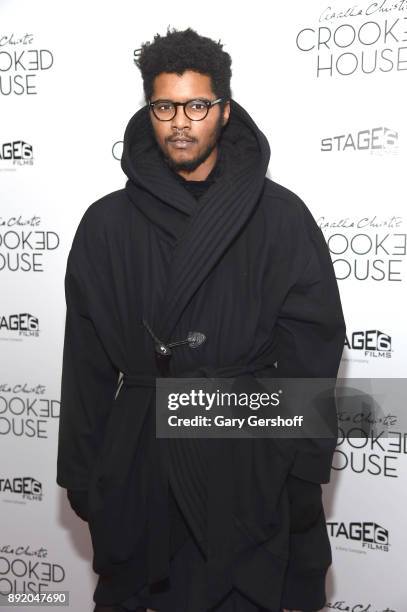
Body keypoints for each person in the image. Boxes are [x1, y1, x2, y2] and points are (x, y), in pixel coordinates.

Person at [56, 27, 346, 612]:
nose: (181, 122)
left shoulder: (280, 216)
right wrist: (85, 476)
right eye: (165, 106)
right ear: (149, 110)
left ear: (224, 110)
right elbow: (84, 364)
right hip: (140, 461)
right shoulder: (105, 225)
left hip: (245, 459)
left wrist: (299, 466)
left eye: (197, 105)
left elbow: (314, 348)